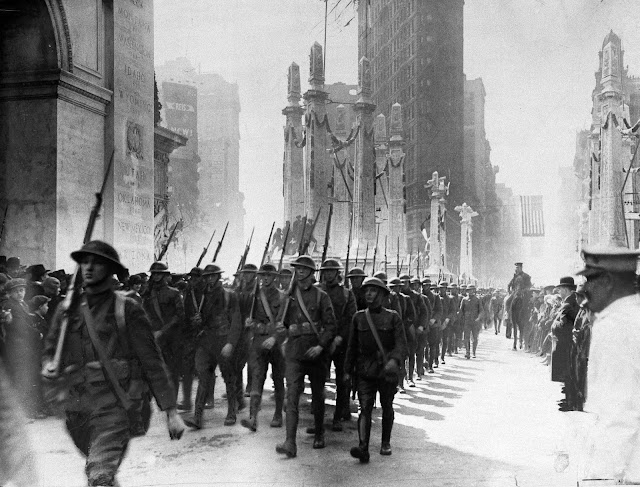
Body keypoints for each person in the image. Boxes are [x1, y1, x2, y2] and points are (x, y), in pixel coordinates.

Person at [41, 240, 184, 487]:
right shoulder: (68, 310)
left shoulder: (126, 308)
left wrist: (171, 411)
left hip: (116, 404)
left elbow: (152, 361)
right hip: (77, 408)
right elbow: (51, 351)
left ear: (109, 269)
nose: (88, 267)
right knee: (98, 470)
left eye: (96, 263)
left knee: (100, 473)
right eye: (85, 262)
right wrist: (49, 366)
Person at [575, 246, 640, 484]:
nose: (583, 289)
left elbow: (619, 413)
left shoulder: (615, 327)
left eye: (589, 280)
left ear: (609, 281)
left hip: (629, 471)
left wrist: (600, 478)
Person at [275, 255, 337, 458]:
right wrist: (280, 331)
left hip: (315, 352)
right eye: (297, 268)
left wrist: (321, 346)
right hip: (294, 352)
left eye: (303, 268)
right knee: (291, 396)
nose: (299, 271)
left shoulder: (321, 296)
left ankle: (319, 433)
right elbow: (281, 325)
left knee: (318, 396)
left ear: (312, 273)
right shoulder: (288, 297)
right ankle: (290, 442)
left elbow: (330, 326)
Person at [344, 277, 407, 463]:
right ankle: (363, 447)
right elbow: (351, 347)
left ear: (382, 295)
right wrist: (347, 370)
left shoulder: (393, 317)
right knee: (364, 408)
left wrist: (394, 360)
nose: (369, 294)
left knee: (387, 405)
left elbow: (401, 345)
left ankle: (385, 442)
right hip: (365, 370)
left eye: (373, 291)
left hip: (387, 371)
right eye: (367, 291)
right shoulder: (359, 317)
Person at [185, 263, 243, 429]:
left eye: (212, 276)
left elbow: (236, 321)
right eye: (207, 277)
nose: (210, 279)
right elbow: (201, 319)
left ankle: (232, 412)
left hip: (223, 340)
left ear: (218, 276)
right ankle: (197, 417)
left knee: (228, 378)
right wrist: (198, 321)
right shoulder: (202, 296)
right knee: (203, 377)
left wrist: (231, 343)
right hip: (206, 341)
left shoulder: (229, 295)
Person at [241, 263, 286, 431]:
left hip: (276, 343)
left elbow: (284, 323)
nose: (265, 278)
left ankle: (278, 415)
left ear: (274, 277)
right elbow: (250, 319)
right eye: (263, 275)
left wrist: (275, 338)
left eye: (269, 275)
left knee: (278, 378)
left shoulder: (283, 297)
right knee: (257, 377)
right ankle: (253, 417)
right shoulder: (254, 296)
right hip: (259, 341)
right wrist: (250, 323)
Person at [319, 259, 357, 431]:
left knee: (342, 380)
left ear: (337, 273)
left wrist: (339, 338)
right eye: (325, 271)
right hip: (321, 340)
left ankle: (338, 416)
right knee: (318, 379)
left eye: (331, 271)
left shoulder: (347, 294)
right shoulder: (317, 291)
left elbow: (351, 319)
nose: (328, 274)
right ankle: (319, 418)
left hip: (341, 343)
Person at [142, 262, 185, 398]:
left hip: (172, 337)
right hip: (155, 337)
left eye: (159, 273)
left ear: (165, 275)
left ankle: (172, 402)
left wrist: (162, 331)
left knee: (173, 372)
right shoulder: (148, 294)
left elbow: (179, 316)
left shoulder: (174, 293)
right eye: (154, 273)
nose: (156, 276)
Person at [550, 277, 579, 412]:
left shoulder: (570, 303)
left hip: (566, 341)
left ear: (566, 289)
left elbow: (566, 323)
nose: (559, 292)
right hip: (565, 341)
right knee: (567, 370)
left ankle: (570, 401)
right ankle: (568, 399)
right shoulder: (569, 301)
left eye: (560, 289)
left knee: (568, 370)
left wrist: (555, 327)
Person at [459, 285, 482, 359]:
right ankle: (467, 352)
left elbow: (481, 311)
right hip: (467, 321)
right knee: (466, 337)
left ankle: (474, 352)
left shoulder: (477, 300)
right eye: (469, 290)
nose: (470, 292)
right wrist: (460, 319)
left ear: (474, 291)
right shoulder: (464, 300)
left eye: (472, 290)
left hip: (475, 322)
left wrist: (478, 318)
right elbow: (461, 311)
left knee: (475, 338)